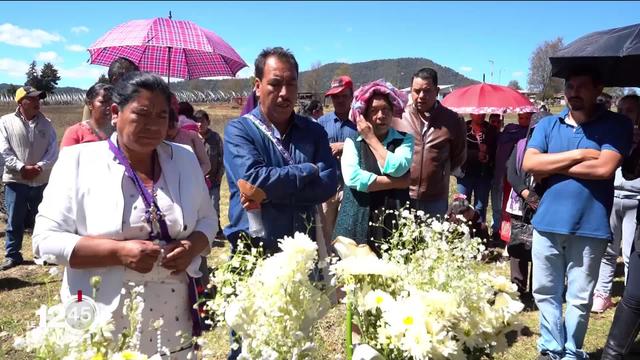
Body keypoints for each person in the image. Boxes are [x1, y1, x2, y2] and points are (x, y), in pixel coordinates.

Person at [32, 72, 217, 358]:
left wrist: (191, 246)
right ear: (116, 113)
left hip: (173, 312)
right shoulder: (78, 161)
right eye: (142, 114)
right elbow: (44, 241)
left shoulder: (183, 157)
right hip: (101, 311)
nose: (153, 125)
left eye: (161, 115)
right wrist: (118, 253)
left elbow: (208, 219)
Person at [522, 65, 633, 360]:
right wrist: (579, 154)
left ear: (598, 90)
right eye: (570, 86)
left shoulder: (616, 125)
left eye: (582, 86)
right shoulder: (547, 124)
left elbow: (604, 168)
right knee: (545, 292)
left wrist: (552, 163)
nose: (573, 93)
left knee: (579, 298)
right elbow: (530, 165)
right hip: (547, 222)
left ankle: (571, 353)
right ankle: (550, 349)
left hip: (591, 226)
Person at [223, 47, 337, 254]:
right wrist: (308, 170)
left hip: (302, 254)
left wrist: (266, 195)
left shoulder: (314, 131)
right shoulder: (239, 130)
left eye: (291, 84)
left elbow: (327, 185)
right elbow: (253, 181)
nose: (284, 93)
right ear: (258, 86)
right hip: (255, 251)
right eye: (275, 84)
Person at [332, 79, 413, 252]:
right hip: (356, 219)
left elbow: (397, 167)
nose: (380, 115)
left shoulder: (405, 140)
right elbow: (353, 178)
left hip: (393, 219)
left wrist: (370, 138)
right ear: (365, 116)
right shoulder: (352, 142)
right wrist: (397, 182)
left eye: (385, 110)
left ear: (392, 113)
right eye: (374, 111)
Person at [393, 67, 467, 217]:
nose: (421, 96)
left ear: (437, 90)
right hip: (403, 194)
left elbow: (458, 155)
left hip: (435, 199)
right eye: (416, 91)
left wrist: (440, 173)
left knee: (432, 238)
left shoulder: (453, 120)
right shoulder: (398, 117)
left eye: (427, 91)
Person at [591, 94, 640, 313]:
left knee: (630, 252)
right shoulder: (614, 133)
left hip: (636, 199)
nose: (624, 115)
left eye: (629, 110)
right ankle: (602, 293)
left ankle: (631, 299)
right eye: (620, 111)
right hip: (612, 195)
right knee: (608, 249)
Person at [0, 86, 58, 270]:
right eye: (31, 99)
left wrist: (40, 167)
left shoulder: (47, 123)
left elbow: (53, 150)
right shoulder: (5, 122)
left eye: (38, 99)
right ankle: (12, 255)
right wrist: (21, 167)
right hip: (16, 180)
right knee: (14, 220)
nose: (36, 102)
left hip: (40, 180)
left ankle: (43, 253)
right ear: (20, 102)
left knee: (42, 219)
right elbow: (4, 150)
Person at [504, 111, 549, 305]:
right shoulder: (521, 145)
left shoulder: (554, 151)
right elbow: (511, 173)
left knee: (541, 248)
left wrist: (538, 200)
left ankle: (538, 290)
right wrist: (526, 193)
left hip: (545, 204)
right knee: (519, 245)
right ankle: (518, 288)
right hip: (520, 203)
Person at [317, 76, 358, 250]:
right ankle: (326, 269)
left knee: (348, 234)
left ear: (352, 96)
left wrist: (347, 146)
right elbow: (314, 153)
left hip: (352, 188)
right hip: (327, 187)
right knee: (325, 231)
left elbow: (371, 148)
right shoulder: (321, 123)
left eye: (344, 95)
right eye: (335, 97)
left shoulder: (361, 123)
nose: (339, 100)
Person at [491, 111, 533, 246]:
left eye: (527, 118)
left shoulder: (531, 135)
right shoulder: (510, 130)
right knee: (502, 206)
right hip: (504, 174)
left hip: (520, 178)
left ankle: (515, 237)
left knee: (515, 209)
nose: (523, 120)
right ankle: (502, 232)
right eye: (521, 117)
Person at [456, 113, 497, 224]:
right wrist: (475, 154)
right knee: (461, 205)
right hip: (465, 174)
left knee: (480, 207)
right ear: (471, 113)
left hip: (484, 175)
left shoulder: (492, 130)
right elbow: (457, 150)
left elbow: (497, 150)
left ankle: (479, 235)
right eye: (477, 113)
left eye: (483, 113)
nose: (481, 115)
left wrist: (487, 155)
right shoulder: (462, 128)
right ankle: (461, 234)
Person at [193, 109, 225, 240]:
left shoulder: (215, 138)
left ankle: (217, 231)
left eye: (202, 121)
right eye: (197, 122)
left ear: (208, 122)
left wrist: (219, 175)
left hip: (214, 181)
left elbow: (222, 158)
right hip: (197, 181)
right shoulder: (191, 138)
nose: (200, 124)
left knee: (214, 206)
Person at [61, 83, 114, 149]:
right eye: (103, 102)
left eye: (112, 102)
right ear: (90, 104)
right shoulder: (75, 133)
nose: (109, 106)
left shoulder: (120, 132)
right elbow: (66, 158)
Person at [165, 109, 211, 176]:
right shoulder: (158, 141)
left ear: (177, 123)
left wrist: (193, 177)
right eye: (167, 126)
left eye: (172, 125)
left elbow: (206, 165)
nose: (169, 130)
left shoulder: (191, 136)